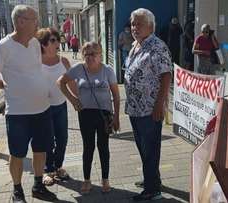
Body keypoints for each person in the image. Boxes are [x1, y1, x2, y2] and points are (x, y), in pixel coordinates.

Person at [0, 5, 56, 203]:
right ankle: (17, 191)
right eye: (34, 19)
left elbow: (34, 70)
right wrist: (4, 85)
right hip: (18, 113)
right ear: (20, 22)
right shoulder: (3, 46)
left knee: (40, 149)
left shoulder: (34, 43)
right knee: (17, 154)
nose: (38, 23)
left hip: (42, 108)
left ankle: (38, 185)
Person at [57, 41, 120, 194]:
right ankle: (87, 180)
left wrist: (117, 117)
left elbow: (116, 95)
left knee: (103, 147)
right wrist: (73, 100)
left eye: (94, 54)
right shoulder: (78, 69)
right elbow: (60, 82)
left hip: (103, 114)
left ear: (100, 55)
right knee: (88, 147)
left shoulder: (108, 70)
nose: (90, 57)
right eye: (87, 54)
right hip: (85, 114)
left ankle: (105, 179)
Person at [124, 8, 172, 201]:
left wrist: (159, 104)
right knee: (143, 147)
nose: (134, 27)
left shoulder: (157, 46)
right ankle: (151, 179)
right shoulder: (136, 45)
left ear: (150, 27)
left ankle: (152, 190)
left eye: (139, 24)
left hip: (150, 108)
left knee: (150, 148)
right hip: (135, 107)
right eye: (133, 23)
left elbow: (166, 75)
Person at [35, 28, 77, 186]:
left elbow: (71, 82)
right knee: (47, 141)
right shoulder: (36, 62)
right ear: (43, 44)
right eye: (53, 40)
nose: (57, 43)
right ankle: (48, 170)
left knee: (63, 139)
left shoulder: (63, 61)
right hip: (42, 108)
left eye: (57, 40)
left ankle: (58, 167)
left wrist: (78, 99)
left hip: (60, 106)